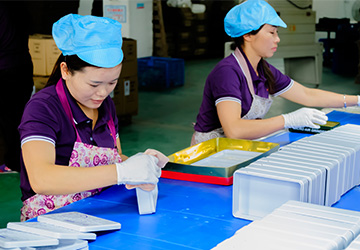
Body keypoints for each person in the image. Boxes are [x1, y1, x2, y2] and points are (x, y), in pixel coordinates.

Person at [18, 14, 168, 221]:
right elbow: (41, 178)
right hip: (51, 221)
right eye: (94, 84)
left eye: (112, 83)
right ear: (65, 70)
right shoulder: (43, 108)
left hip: (98, 212)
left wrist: (140, 164)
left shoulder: (106, 106)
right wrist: (122, 171)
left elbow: (114, 158)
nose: (103, 93)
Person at [191, 0, 360, 146]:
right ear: (248, 35)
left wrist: (356, 101)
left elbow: (307, 94)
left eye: (277, 33)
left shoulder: (263, 70)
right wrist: (287, 120)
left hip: (236, 148)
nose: (277, 39)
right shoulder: (227, 73)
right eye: (271, 32)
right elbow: (234, 130)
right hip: (210, 155)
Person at [0, 2, 34, 172]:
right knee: (20, 116)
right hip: (24, 66)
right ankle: (26, 160)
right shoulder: (21, 6)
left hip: (5, 69)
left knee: (8, 120)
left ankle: (13, 162)